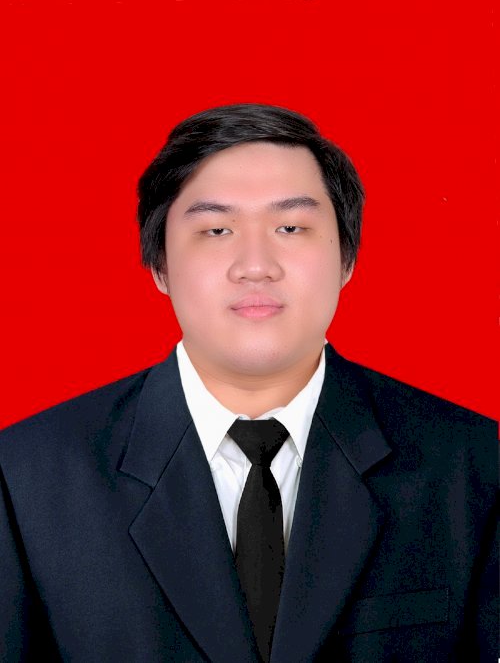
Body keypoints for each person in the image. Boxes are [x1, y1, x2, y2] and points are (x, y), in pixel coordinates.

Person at [0, 104, 496, 663]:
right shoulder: (27, 476)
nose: (255, 265)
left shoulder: (472, 464)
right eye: (216, 230)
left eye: (291, 228)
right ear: (160, 265)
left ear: (347, 258)